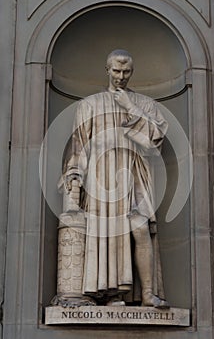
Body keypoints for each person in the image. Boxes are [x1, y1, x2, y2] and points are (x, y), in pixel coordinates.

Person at [62, 49, 169, 308]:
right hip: (102, 177)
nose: (121, 77)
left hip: (134, 172)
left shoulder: (145, 104)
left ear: (132, 72)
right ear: (107, 70)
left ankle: (147, 294)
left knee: (141, 229)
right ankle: (112, 295)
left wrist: (131, 108)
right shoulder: (89, 104)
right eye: (116, 71)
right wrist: (75, 173)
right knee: (107, 234)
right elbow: (80, 145)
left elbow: (156, 139)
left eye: (126, 72)